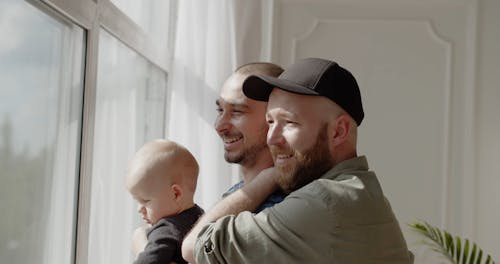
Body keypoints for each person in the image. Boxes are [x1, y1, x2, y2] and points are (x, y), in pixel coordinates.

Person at [182, 58, 414, 263]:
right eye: (271, 121)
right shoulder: (361, 191)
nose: (271, 138)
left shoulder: (323, 202)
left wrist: (267, 179)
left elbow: (196, 246)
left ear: (338, 131)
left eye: (289, 122)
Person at [215, 62, 285, 212]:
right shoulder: (231, 194)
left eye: (237, 112)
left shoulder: (282, 209)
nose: (219, 126)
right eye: (220, 110)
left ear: (274, 119)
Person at [126, 139, 204, 264]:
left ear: (176, 194)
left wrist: (140, 248)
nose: (139, 209)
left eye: (145, 201)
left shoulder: (166, 230)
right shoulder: (201, 216)